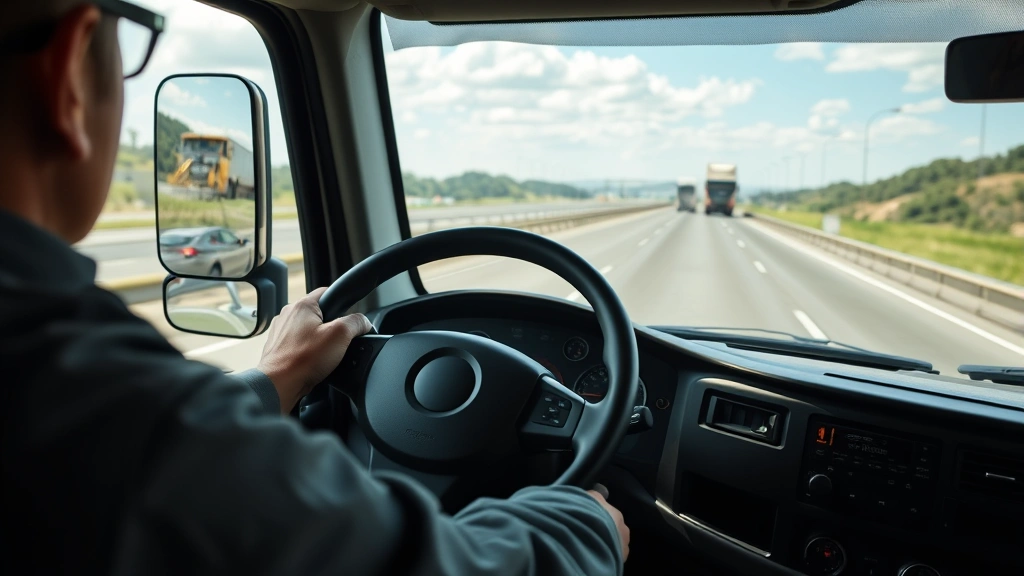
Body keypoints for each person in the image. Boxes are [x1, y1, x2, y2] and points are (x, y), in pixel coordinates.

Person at [0, 1, 629, 574]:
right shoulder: (71, 381)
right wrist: (583, 525)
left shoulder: (63, 388)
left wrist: (276, 377)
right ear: (68, 79)